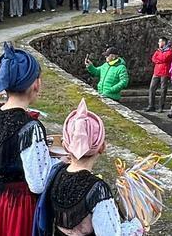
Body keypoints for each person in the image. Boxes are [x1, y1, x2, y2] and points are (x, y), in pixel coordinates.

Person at [0, 43, 57, 236]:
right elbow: (38, 183)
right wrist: (58, 164)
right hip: (17, 208)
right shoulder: (30, 127)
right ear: (36, 84)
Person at [34, 99, 144, 236]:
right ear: (102, 147)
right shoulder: (97, 189)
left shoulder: (55, 174)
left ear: (65, 145)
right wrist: (136, 227)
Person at [144, 37, 172, 113]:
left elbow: (164, 59)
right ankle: (151, 106)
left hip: (165, 72)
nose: (158, 43)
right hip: (156, 72)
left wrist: (158, 59)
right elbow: (153, 58)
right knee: (152, 88)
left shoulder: (169, 51)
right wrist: (159, 60)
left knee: (163, 90)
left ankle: (161, 107)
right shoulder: (158, 50)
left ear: (164, 42)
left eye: (160, 42)